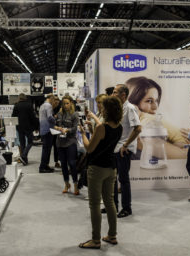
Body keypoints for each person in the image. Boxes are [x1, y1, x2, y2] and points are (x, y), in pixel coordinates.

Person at [78, 96, 123, 250]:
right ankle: (112, 235)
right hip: (111, 167)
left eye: (103, 107)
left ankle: (95, 240)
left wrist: (83, 134)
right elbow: (103, 143)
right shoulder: (119, 126)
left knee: (95, 204)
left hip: (97, 168)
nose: (101, 109)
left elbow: (90, 148)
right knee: (110, 202)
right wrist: (92, 130)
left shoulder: (102, 127)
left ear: (107, 110)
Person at [126, 76, 187, 159]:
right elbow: (185, 156)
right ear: (133, 103)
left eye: (156, 100)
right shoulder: (137, 136)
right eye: (149, 101)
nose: (155, 107)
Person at [112, 84, 141, 218]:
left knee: (123, 179)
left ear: (123, 95)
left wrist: (126, 145)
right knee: (112, 179)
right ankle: (112, 206)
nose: (112, 95)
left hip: (124, 150)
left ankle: (126, 208)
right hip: (115, 148)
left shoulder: (130, 108)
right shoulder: (118, 108)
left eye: (115, 92)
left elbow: (138, 129)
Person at [54, 96, 80, 194]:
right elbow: (57, 124)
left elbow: (75, 129)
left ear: (71, 103)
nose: (65, 105)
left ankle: (75, 185)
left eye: (67, 103)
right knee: (63, 165)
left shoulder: (74, 114)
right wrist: (57, 128)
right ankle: (66, 183)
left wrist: (67, 130)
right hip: (60, 142)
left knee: (72, 164)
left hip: (70, 142)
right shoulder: (60, 113)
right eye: (64, 103)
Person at [12, 93, 38, 165]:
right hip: (28, 127)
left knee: (22, 143)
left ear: (19, 98)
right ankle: (24, 156)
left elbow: (13, 117)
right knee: (30, 142)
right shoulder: (29, 105)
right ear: (25, 98)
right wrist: (36, 127)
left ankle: (24, 160)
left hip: (19, 127)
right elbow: (33, 117)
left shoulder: (16, 105)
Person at [39, 94, 56, 173]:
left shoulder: (42, 105)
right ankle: (43, 167)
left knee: (45, 149)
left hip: (43, 129)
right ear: (51, 98)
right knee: (47, 150)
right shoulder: (49, 106)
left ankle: (45, 165)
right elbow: (49, 117)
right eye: (54, 100)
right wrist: (55, 120)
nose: (54, 102)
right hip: (48, 130)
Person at [52, 97, 61, 168]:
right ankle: (56, 161)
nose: (56, 104)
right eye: (55, 102)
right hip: (54, 129)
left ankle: (60, 160)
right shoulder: (51, 108)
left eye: (57, 103)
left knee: (60, 146)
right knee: (55, 145)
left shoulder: (61, 108)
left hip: (60, 128)